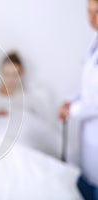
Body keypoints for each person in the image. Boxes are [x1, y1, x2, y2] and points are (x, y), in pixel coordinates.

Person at [58, 0, 98, 199]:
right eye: (88, 12)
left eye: (96, 12)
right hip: (90, 133)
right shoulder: (94, 41)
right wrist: (70, 100)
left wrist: (71, 110)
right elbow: (89, 87)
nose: (90, 18)